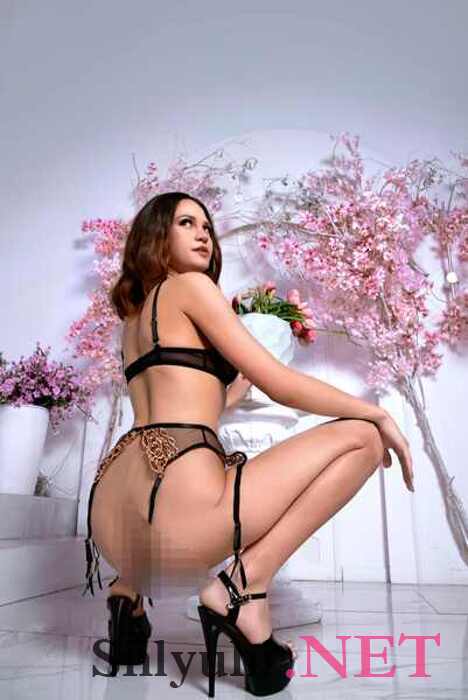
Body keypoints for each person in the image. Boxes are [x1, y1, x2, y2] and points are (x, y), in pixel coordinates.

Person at [82, 191, 414, 694]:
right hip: (175, 515)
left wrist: (229, 390)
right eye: (186, 223)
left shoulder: (133, 319)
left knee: (185, 488)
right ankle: (243, 588)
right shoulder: (190, 286)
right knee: (362, 440)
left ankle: (126, 599)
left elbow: (182, 402)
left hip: (114, 524)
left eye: (206, 227)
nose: (203, 234)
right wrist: (376, 411)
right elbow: (279, 382)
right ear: (156, 235)